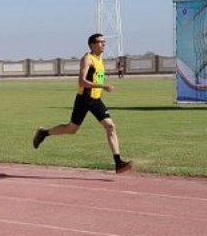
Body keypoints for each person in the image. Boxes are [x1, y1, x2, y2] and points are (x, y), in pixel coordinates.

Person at [32, 33, 132, 174]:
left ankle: (118, 162)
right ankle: (44, 133)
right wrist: (103, 86)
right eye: (100, 42)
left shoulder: (99, 58)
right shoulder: (87, 59)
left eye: (104, 42)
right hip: (84, 100)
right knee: (72, 129)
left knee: (110, 126)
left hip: (96, 100)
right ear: (92, 44)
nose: (103, 44)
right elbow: (82, 82)